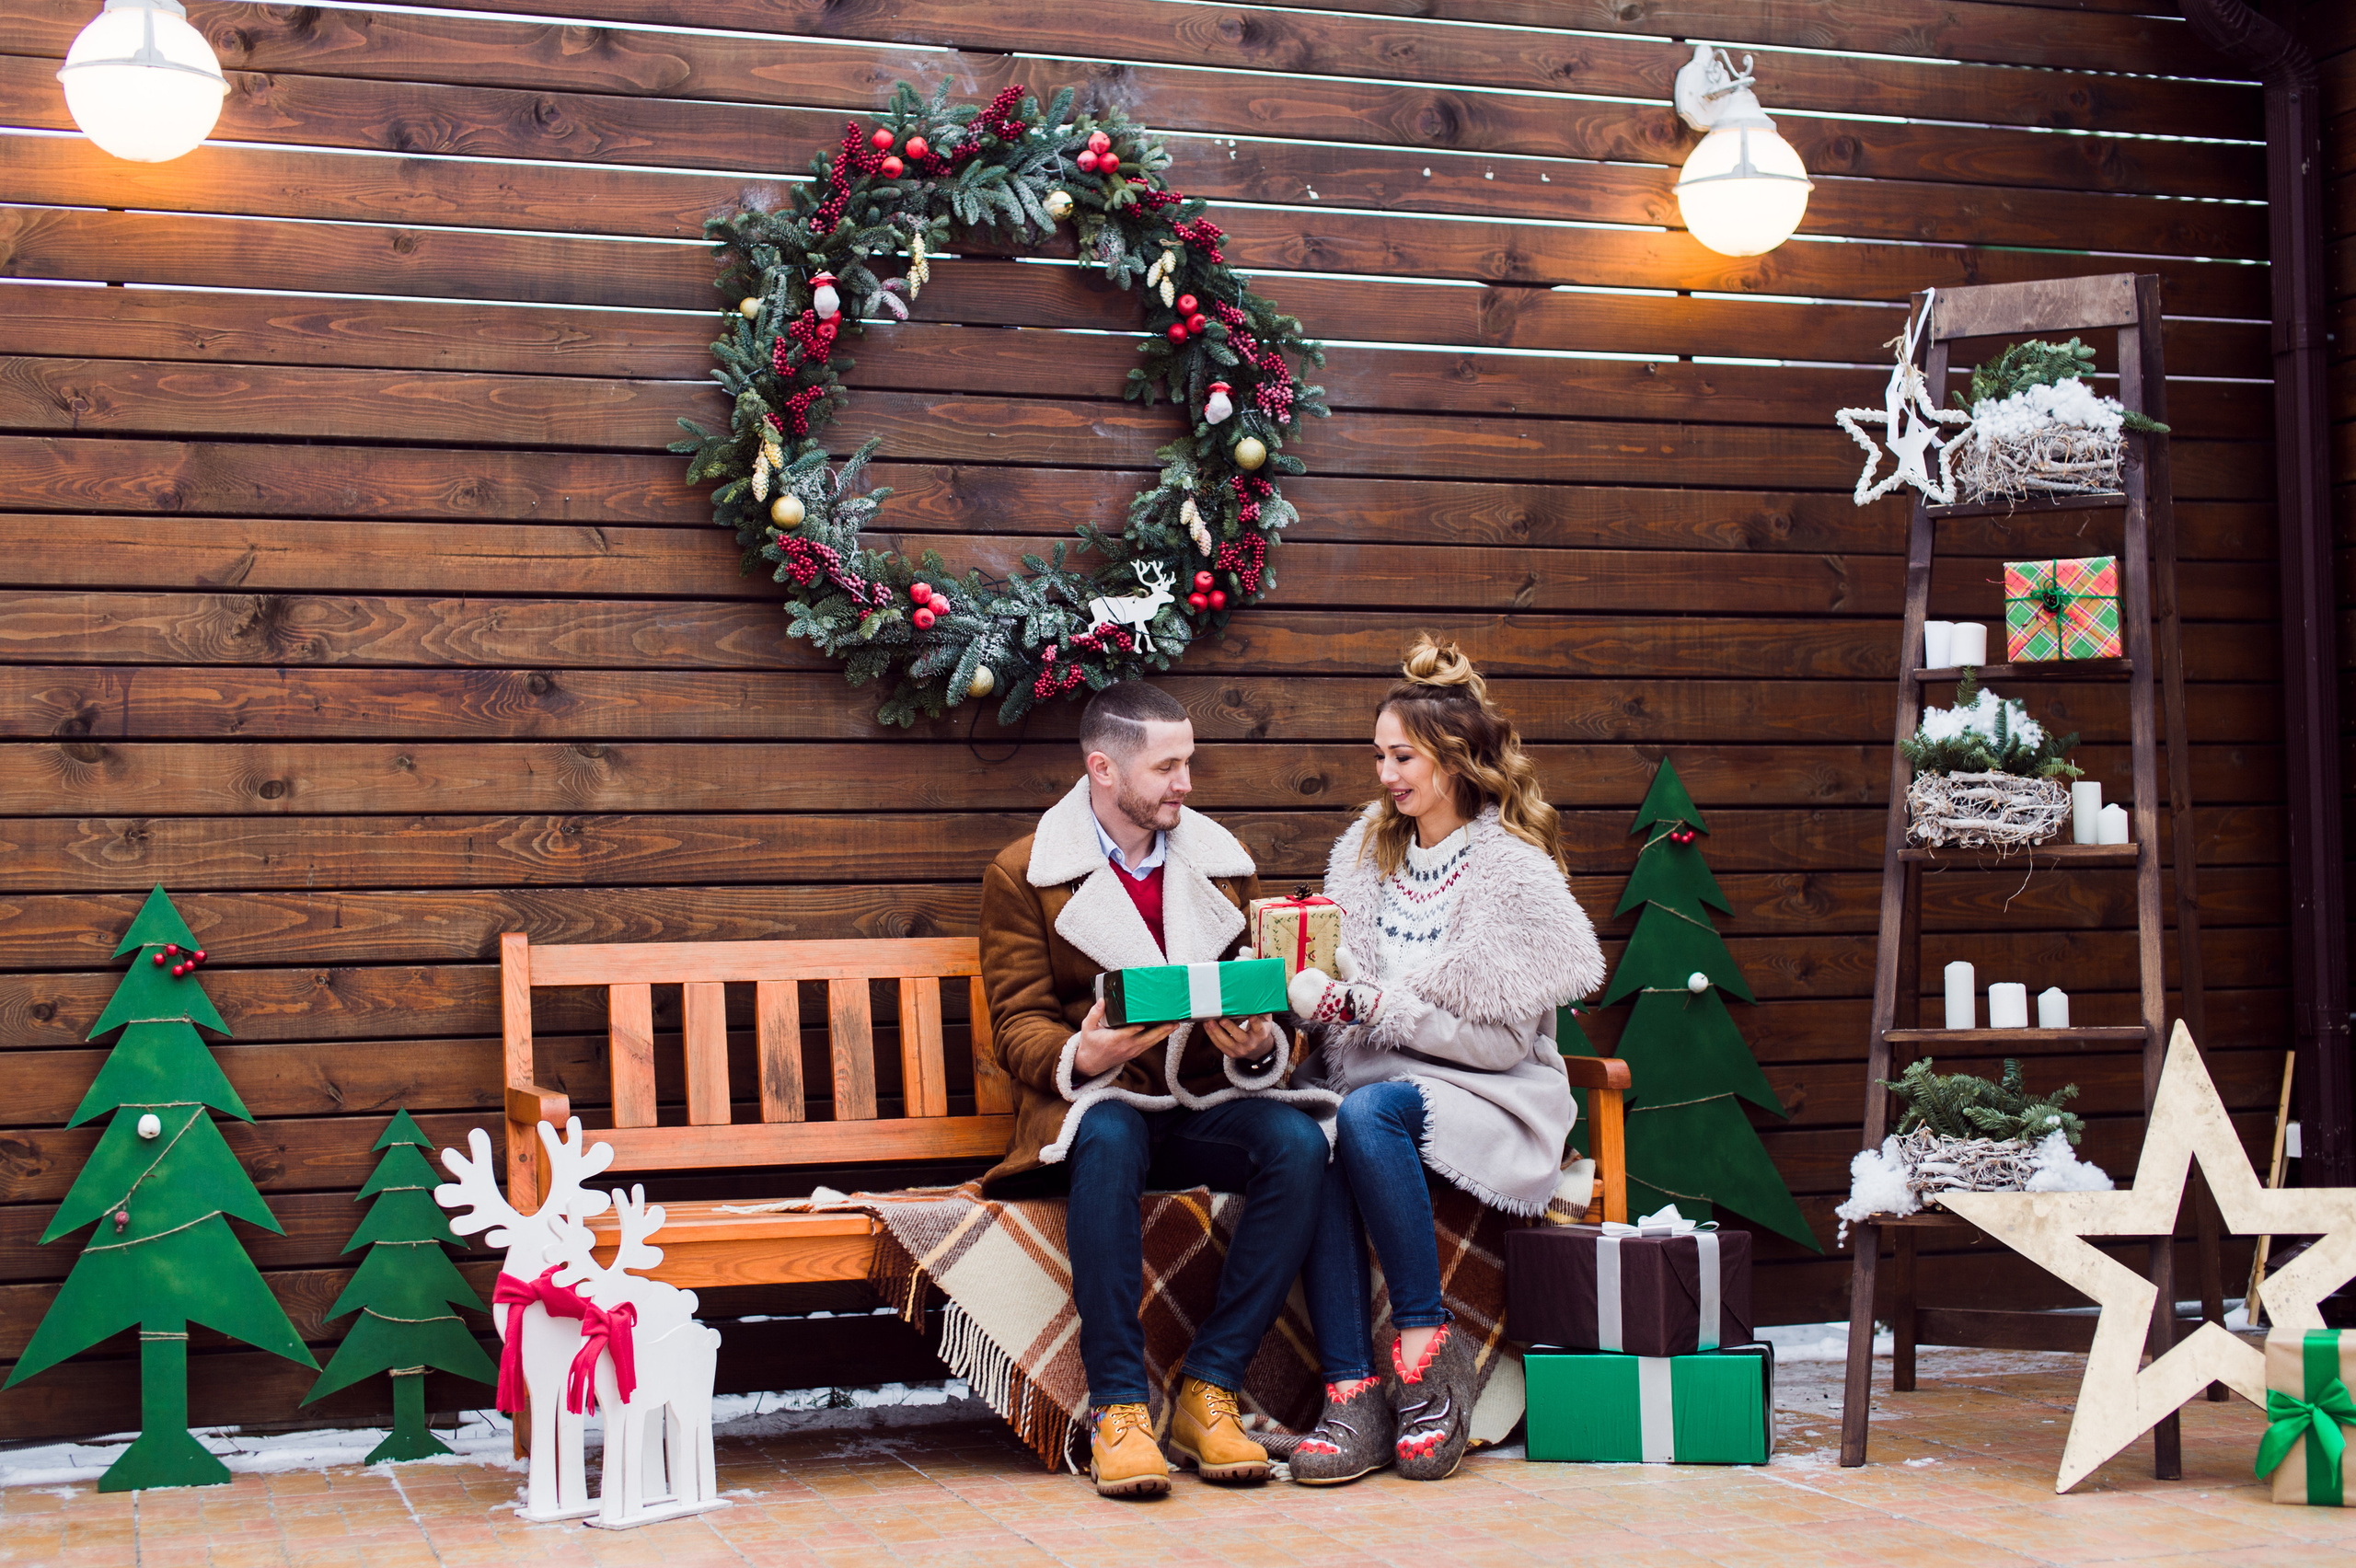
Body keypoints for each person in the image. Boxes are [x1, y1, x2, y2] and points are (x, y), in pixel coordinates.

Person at [978, 680, 1338, 1498]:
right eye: (1166, 766)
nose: (1185, 783)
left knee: (1296, 1143)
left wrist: (1258, 1044)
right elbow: (1017, 1025)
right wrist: (1088, 1050)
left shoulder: (1220, 860)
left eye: (1190, 763)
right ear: (1103, 768)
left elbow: (1264, 997)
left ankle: (1209, 1390)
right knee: (1105, 1139)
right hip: (1100, 1105)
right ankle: (1119, 1408)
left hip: (1201, 1101)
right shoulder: (1024, 874)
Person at [1283, 636, 1604, 1485]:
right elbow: (1344, 1007)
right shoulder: (1366, 856)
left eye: (1403, 757)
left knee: (1364, 1114)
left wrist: (1373, 1007)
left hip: (1493, 1094)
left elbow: (1500, 1043)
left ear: (1455, 761)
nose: (1386, 774)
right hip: (1370, 1080)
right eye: (1379, 756)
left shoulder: (1512, 874)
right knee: (1308, 1138)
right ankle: (1351, 1392)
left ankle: (1425, 1351)